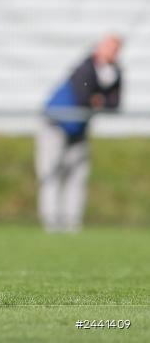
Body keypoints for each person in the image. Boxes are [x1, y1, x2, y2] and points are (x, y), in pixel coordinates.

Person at [37, 35, 122, 233]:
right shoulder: (86, 66)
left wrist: (100, 98)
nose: (112, 53)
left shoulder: (115, 72)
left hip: (79, 129)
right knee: (50, 172)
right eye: (109, 47)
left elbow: (114, 103)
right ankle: (51, 222)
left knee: (77, 176)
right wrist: (99, 98)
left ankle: (72, 222)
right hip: (56, 124)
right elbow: (84, 96)